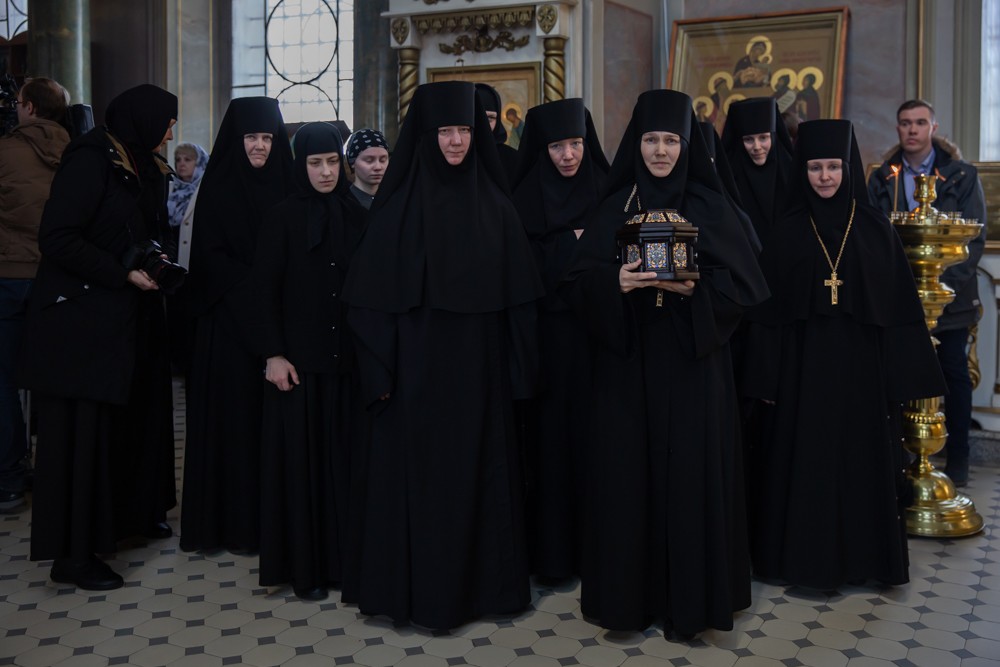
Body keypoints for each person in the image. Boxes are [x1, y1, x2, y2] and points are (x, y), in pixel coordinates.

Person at [560, 89, 768, 636]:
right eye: (651, 140)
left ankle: (692, 605)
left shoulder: (710, 205)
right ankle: (628, 602)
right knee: (627, 479)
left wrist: (696, 291)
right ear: (636, 143)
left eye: (671, 141)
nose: (659, 151)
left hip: (693, 363)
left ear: (686, 145)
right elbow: (576, 284)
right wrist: (614, 282)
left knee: (692, 479)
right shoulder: (615, 205)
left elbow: (745, 287)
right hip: (627, 365)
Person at [341, 81, 544, 630]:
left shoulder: (497, 208)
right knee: (419, 487)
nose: (456, 141)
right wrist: (381, 373)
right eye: (445, 131)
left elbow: (519, 306)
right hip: (413, 380)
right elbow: (368, 306)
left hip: (480, 379)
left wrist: (518, 375)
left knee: (480, 481)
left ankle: (484, 594)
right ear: (426, 136)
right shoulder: (395, 212)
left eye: (465, 130)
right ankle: (419, 596)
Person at [744, 119, 946, 589]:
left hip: (862, 373)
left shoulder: (874, 228)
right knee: (805, 464)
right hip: (802, 373)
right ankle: (802, 563)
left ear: (848, 168)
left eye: (833, 167)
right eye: (815, 168)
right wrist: (766, 378)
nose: (825, 177)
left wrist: (900, 380)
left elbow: (897, 310)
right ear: (803, 171)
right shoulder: (786, 231)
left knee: (861, 464)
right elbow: (767, 317)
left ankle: (864, 563)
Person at [20, 84, 179, 590]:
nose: (170, 133)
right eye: (166, 123)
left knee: (126, 426)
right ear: (143, 120)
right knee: (83, 440)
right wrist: (121, 272)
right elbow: (58, 238)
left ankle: (129, 516)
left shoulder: (141, 160)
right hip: (81, 327)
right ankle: (73, 556)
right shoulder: (90, 160)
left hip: (125, 320)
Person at [249, 122, 365, 601]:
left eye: (333, 162)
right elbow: (262, 290)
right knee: (302, 469)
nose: (325, 172)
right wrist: (273, 354)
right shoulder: (282, 217)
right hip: (297, 365)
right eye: (315, 163)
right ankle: (306, 569)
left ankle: (345, 565)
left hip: (347, 364)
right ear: (301, 165)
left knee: (345, 465)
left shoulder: (355, 212)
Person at [181, 97, 295, 554]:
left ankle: (275, 526)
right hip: (229, 326)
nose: (260, 146)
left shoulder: (288, 183)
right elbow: (211, 261)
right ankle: (232, 527)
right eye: (251, 137)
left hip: (281, 325)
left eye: (267, 137)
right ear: (236, 139)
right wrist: (257, 290)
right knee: (234, 428)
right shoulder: (219, 188)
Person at [510, 98, 609, 580]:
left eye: (575, 144)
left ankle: (603, 551)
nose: (568, 155)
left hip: (602, 342)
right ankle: (554, 556)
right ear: (541, 149)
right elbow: (521, 273)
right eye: (556, 146)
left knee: (602, 444)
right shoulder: (522, 200)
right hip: (547, 345)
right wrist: (574, 244)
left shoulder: (609, 189)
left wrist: (570, 247)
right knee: (550, 449)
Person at [867, 100, 986, 487]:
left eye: (920, 122)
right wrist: (900, 286)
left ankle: (959, 458)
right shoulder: (883, 177)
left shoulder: (961, 175)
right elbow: (873, 235)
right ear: (898, 128)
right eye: (905, 123)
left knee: (953, 372)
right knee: (900, 373)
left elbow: (973, 237)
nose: (912, 130)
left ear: (933, 127)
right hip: (899, 296)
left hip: (949, 298)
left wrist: (939, 286)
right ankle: (901, 456)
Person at [0, 77, 70, 514]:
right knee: (55, 380)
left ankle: (9, 477)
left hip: (8, 276)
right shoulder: (77, 153)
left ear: (27, 107)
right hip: (57, 279)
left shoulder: (5, 151)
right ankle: (57, 474)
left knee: (2, 382)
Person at [721, 97, 793, 247]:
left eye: (763, 138)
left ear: (773, 136)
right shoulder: (728, 179)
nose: (757, 147)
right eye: (748, 140)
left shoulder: (790, 173)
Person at [169, 142, 209, 269]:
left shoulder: (206, 191)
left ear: (200, 163)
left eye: (187, 159)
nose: (181, 164)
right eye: (178, 160)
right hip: (170, 256)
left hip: (198, 258)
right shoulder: (168, 187)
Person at [475, 83, 519, 185]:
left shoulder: (514, 159)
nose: (484, 125)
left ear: (498, 120)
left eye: (490, 118)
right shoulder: (456, 155)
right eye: (478, 117)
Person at [344, 128, 389, 210]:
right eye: (369, 160)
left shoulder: (394, 200)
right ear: (353, 162)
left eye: (382, 160)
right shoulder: (343, 205)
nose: (378, 167)